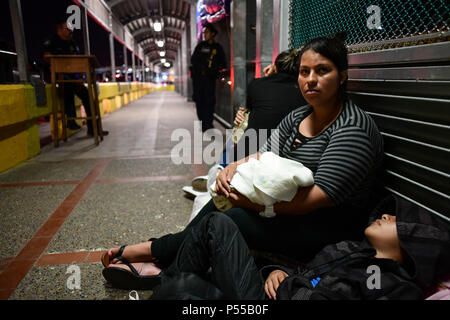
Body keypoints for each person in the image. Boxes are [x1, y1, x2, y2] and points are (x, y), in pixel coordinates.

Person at [101, 32, 384, 280]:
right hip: (287, 210)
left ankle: (161, 265)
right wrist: (232, 168)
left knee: (228, 218)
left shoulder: (352, 128)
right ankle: (162, 256)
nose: (310, 80)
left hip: (325, 229)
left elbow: (313, 201)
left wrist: (253, 204)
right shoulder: (297, 116)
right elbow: (262, 156)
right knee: (222, 201)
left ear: (343, 75)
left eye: (322, 71)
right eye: (304, 71)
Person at [42, 18, 108, 136]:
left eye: (71, 29)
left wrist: (79, 78)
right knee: (67, 85)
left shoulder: (72, 43)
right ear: (59, 29)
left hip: (72, 78)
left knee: (88, 97)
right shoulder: (51, 41)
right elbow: (46, 58)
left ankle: (93, 129)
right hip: (57, 77)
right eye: (67, 29)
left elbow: (78, 61)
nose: (70, 31)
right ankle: (71, 120)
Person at [190, 23, 227, 132]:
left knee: (209, 102)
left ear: (212, 34)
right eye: (204, 32)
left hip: (210, 80)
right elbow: (193, 60)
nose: (204, 34)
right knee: (199, 101)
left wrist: (215, 71)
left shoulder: (217, 48)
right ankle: (203, 124)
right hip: (199, 80)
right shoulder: (200, 46)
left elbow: (223, 63)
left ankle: (209, 124)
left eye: (206, 32)